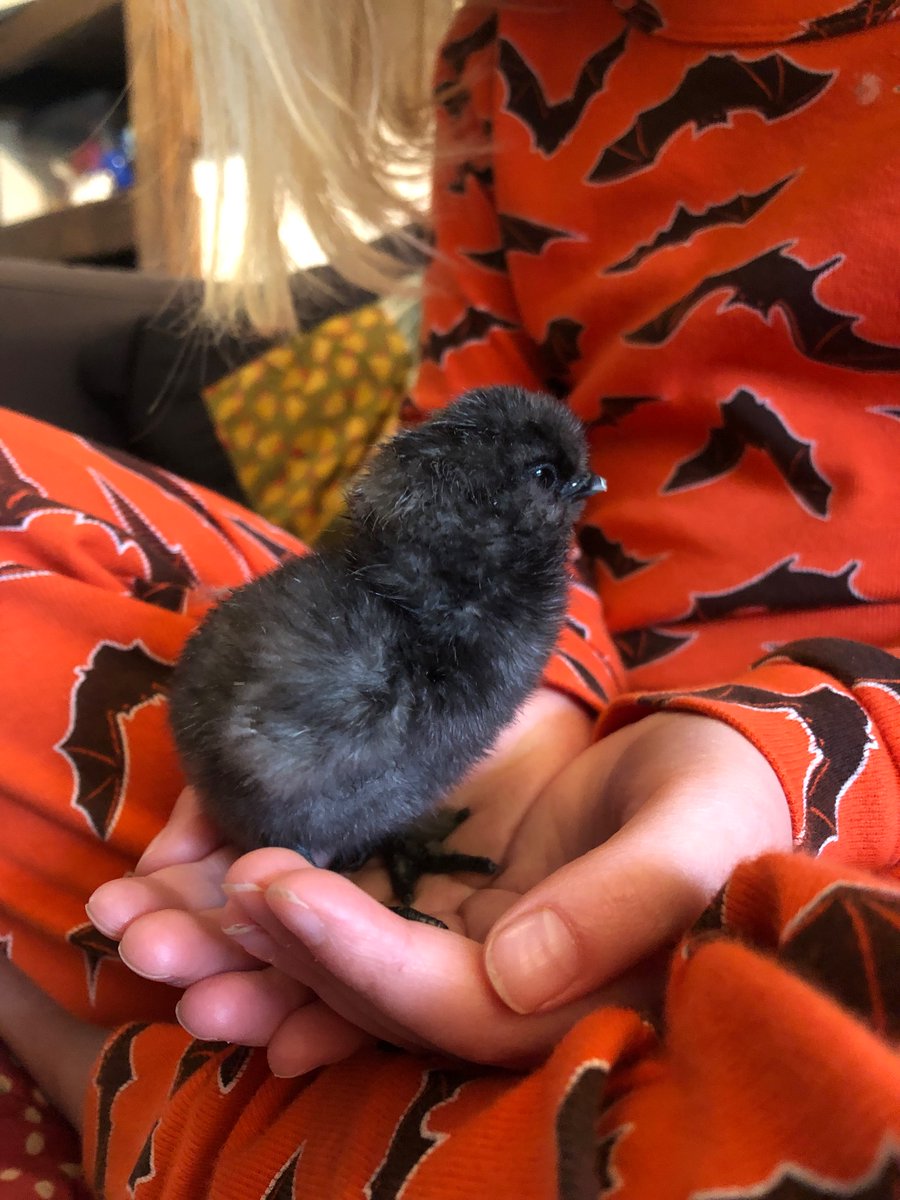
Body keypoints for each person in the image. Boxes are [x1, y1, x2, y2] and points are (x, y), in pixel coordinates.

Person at [0, 0, 898, 1195]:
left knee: (831, 1065)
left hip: (846, 790)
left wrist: (807, 759)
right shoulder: (508, 48)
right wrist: (542, 712)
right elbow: (448, 472)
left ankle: (114, 1069)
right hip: (510, 727)